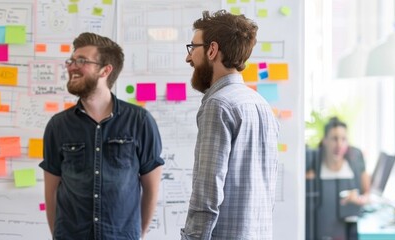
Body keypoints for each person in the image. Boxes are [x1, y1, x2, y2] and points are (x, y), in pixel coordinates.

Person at [39, 32, 165, 240]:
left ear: (105, 70)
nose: (71, 66)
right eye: (71, 60)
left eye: (82, 61)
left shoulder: (140, 121)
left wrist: (136, 235)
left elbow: (151, 190)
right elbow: (51, 193)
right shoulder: (58, 125)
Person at [181, 10, 280, 240]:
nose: (188, 58)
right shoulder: (261, 104)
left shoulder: (219, 104)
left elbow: (207, 194)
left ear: (212, 50)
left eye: (192, 48)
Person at [305, 117, 370, 240]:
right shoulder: (312, 163)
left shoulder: (355, 160)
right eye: (334, 139)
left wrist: (359, 199)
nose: (339, 144)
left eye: (343, 139)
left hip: (347, 231)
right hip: (318, 230)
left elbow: (367, 194)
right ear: (325, 141)